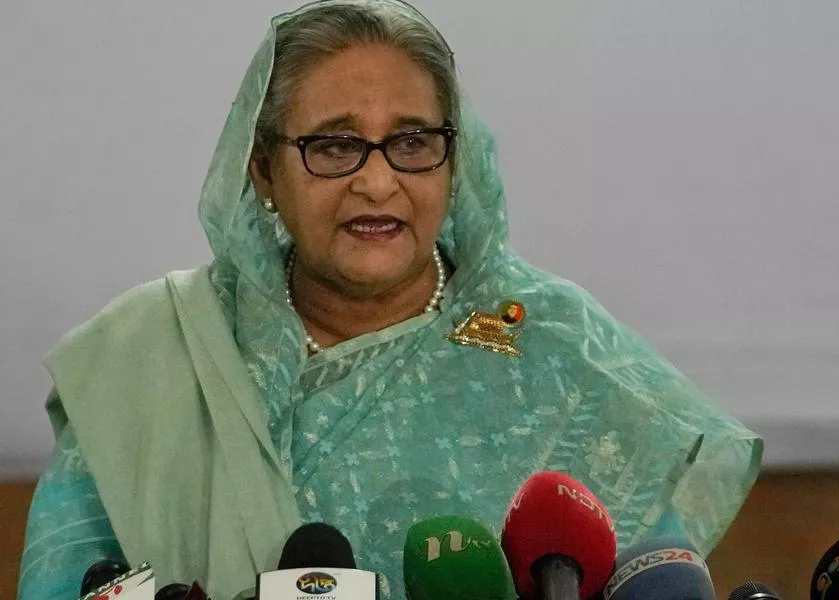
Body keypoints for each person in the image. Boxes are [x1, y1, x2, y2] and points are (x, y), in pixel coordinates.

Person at [17, 2, 762, 598]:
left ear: (454, 156)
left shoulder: (557, 347)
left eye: (412, 143)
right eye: (334, 146)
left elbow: (652, 573)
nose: (377, 183)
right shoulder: (152, 355)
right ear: (264, 171)